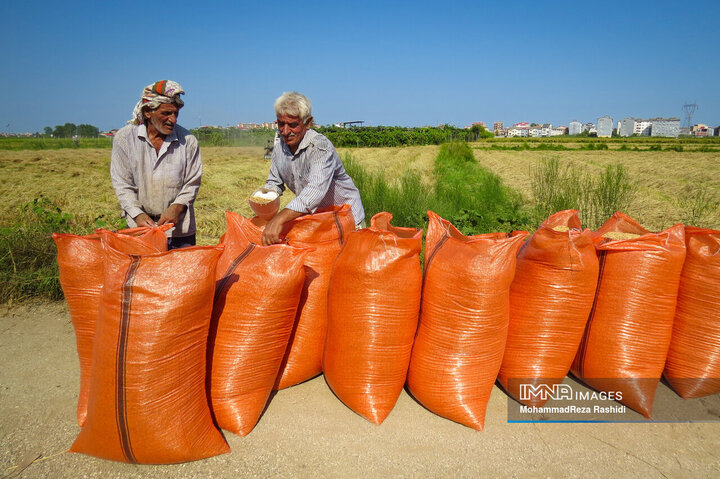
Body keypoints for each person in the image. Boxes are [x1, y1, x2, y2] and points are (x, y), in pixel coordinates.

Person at [261, 91, 365, 246]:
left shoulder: (320, 148)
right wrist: (264, 200)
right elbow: (274, 183)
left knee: (348, 266)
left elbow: (314, 192)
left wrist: (280, 218)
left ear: (308, 123)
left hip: (346, 219)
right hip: (318, 220)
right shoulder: (279, 149)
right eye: (281, 124)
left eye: (293, 125)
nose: (285, 131)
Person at [110, 80, 202, 249]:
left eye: (176, 113)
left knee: (180, 274)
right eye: (166, 113)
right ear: (147, 112)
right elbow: (123, 184)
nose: (172, 120)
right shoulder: (125, 139)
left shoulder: (187, 141)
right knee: (143, 274)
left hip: (179, 231)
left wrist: (177, 207)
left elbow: (192, 182)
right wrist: (137, 215)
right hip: (140, 228)